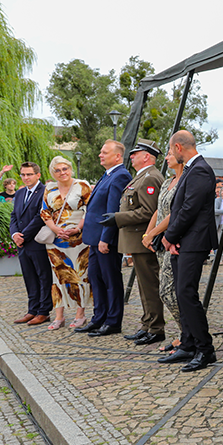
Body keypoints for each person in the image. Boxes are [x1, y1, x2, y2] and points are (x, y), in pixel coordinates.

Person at [161, 130, 218, 372]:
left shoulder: (201, 169)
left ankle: (205, 349)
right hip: (184, 241)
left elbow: (189, 208)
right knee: (180, 291)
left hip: (195, 241)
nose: (170, 154)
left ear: (178, 147)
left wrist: (169, 236)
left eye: (171, 150)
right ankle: (187, 343)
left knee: (186, 293)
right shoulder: (191, 169)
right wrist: (174, 239)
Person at [101, 139, 166, 346]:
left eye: (136, 153)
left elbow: (149, 211)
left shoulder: (151, 177)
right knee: (144, 286)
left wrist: (118, 218)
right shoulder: (142, 177)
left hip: (143, 239)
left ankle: (155, 328)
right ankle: (147, 324)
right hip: (136, 240)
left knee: (149, 286)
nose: (131, 156)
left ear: (147, 156)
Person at [75, 140, 131, 337]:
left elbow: (112, 210)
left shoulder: (120, 175)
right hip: (94, 239)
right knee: (97, 280)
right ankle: (99, 318)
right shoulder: (108, 174)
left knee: (111, 280)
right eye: (101, 152)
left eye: (105, 152)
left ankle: (113, 321)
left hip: (104, 240)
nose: (100, 155)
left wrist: (105, 239)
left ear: (117, 156)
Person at [40, 156, 91, 330]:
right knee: (58, 276)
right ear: (52, 173)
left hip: (79, 239)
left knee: (79, 274)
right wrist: (55, 229)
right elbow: (45, 212)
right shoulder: (50, 188)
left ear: (70, 169)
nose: (62, 173)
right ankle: (59, 316)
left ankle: (80, 314)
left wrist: (77, 228)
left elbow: (89, 209)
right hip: (56, 239)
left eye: (65, 169)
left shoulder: (82, 185)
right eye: (58, 170)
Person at [143, 147, 184, 354]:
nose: (166, 158)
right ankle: (183, 334)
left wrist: (153, 233)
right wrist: (148, 233)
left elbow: (175, 213)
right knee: (168, 291)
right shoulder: (168, 182)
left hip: (173, 241)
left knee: (168, 292)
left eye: (169, 154)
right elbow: (159, 209)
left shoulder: (185, 181)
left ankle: (188, 333)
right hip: (160, 241)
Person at [10, 162, 52, 326]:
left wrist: (24, 236)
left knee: (43, 277)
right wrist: (14, 234)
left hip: (36, 241)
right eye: (23, 175)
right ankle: (32, 309)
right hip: (22, 244)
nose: (25, 177)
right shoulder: (20, 193)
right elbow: (14, 216)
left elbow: (40, 217)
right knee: (29, 277)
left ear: (38, 175)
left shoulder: (45, 192)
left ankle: (44, 311)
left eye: (29, 174)